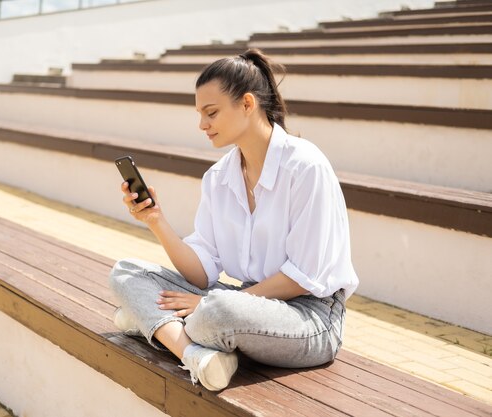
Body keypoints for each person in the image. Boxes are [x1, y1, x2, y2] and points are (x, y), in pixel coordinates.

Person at [108, 48, 359, 391]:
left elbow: (304, 277)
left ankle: (155, 326)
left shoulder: (305, 167)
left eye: (211, 112)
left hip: (311, 318)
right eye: (199, 113)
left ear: (247, 104)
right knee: (127, 273)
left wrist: (213, 303)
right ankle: (197, 355)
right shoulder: (218, 177)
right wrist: (156, 221)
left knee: (218, 311)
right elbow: (201, 273)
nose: (202, 124)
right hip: (246, 302)